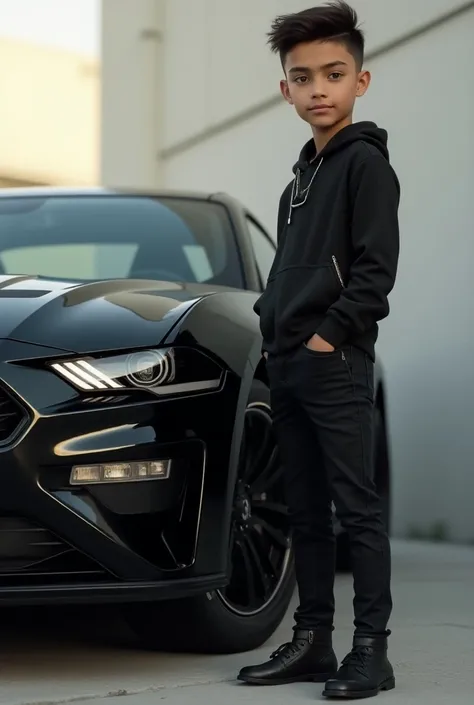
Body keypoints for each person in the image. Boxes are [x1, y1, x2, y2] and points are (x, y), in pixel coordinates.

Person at [237, 1, 400, 700]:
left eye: (334, 74)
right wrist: (274, 328)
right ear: (286, 90)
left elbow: (375, 271)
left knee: (354, 509)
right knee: (304, 511)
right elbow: (284, 276)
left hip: (335, 359)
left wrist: (329, 335)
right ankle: (313, 641)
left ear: (360, 81)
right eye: (302, 78)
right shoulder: (295, 185)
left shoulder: (366, 166)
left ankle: (371, 649)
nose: (318, 90)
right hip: (291, 360)